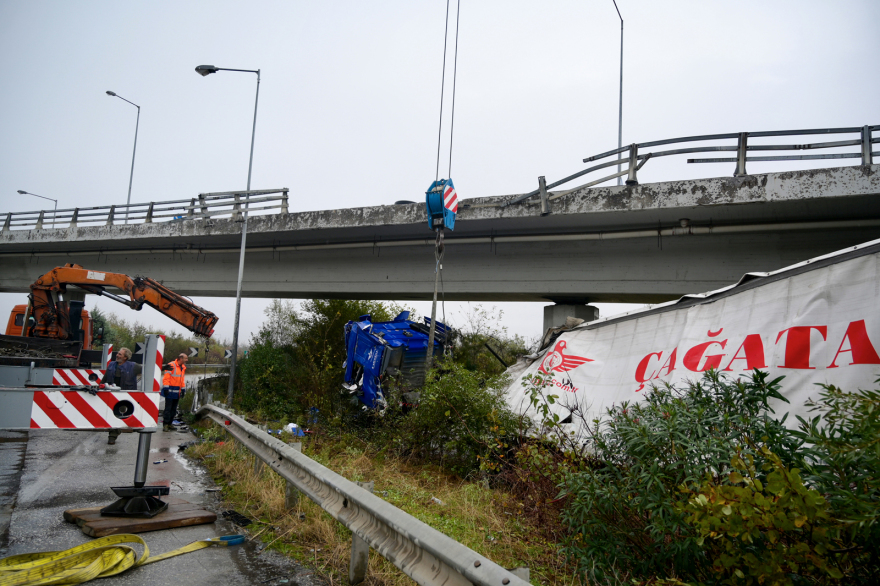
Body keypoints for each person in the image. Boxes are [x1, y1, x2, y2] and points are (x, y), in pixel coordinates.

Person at [102, 348, 140, 445]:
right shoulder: (111, 364)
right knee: (111, 413)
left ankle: (113, 435)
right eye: (118, 353)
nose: (117, 355)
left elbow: (149, 369)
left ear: (125, 357)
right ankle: (113, 434)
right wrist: (101, 386)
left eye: (120, 354)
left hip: (124, 396)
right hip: (111, 394)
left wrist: (163, 367)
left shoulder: (133, 366)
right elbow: (105, 378)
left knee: (118, 414)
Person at [161, 353, 188, 432]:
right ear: (180, 358)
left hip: (177, 391)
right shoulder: (171, 365)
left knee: (173, 409)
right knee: (168, 409)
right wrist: (166, 388)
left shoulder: (182, 367)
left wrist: (183, 389)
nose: (187, 360)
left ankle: (170, 423)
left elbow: (182, 379)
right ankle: (165, 425)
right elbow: (166, 378)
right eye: (185, 358)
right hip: (170, 390)